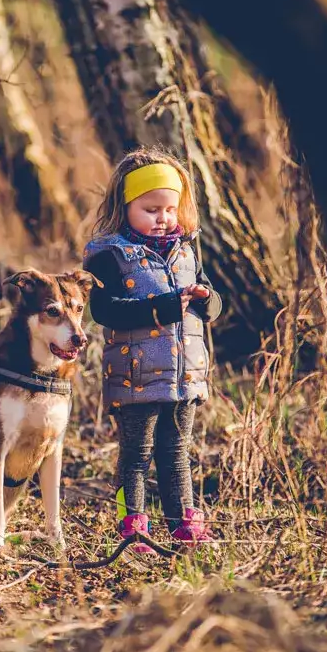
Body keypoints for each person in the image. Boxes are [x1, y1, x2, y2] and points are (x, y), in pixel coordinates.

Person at [82, 146, 223, 553]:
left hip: (183, 377)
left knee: (176, 450)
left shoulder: (186, 252)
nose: (163, 219)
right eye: (150, 209)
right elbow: (105, 311)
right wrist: (162, 308)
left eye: (169, 209)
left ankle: (183, 523)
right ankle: (133, 527)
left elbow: (213, 307)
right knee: (137, 453)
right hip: (136, 376)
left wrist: (204, 298)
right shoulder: (110, 256)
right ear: (125, 206)